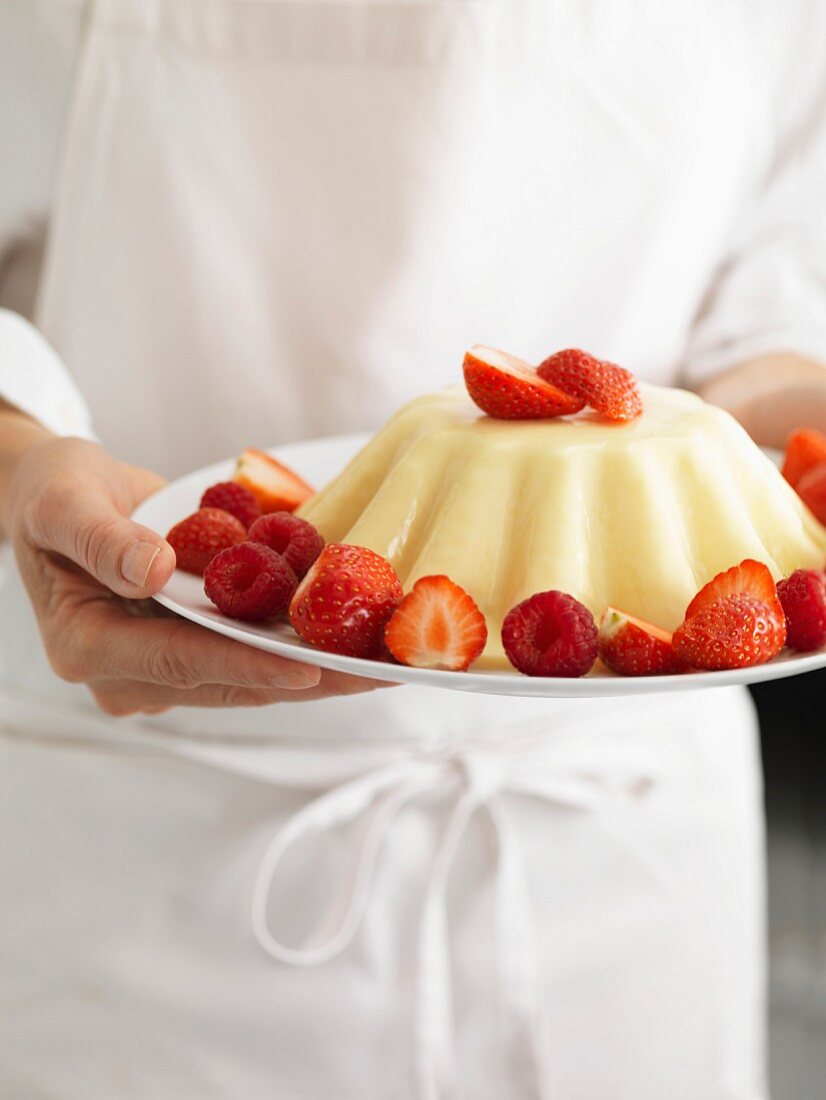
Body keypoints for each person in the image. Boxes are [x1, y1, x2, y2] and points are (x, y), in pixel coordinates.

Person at [1, 2, 825, 1097]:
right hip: (158, 833)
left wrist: (789, 410)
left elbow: (775, 257)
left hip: (622, 820)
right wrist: (20, 451)